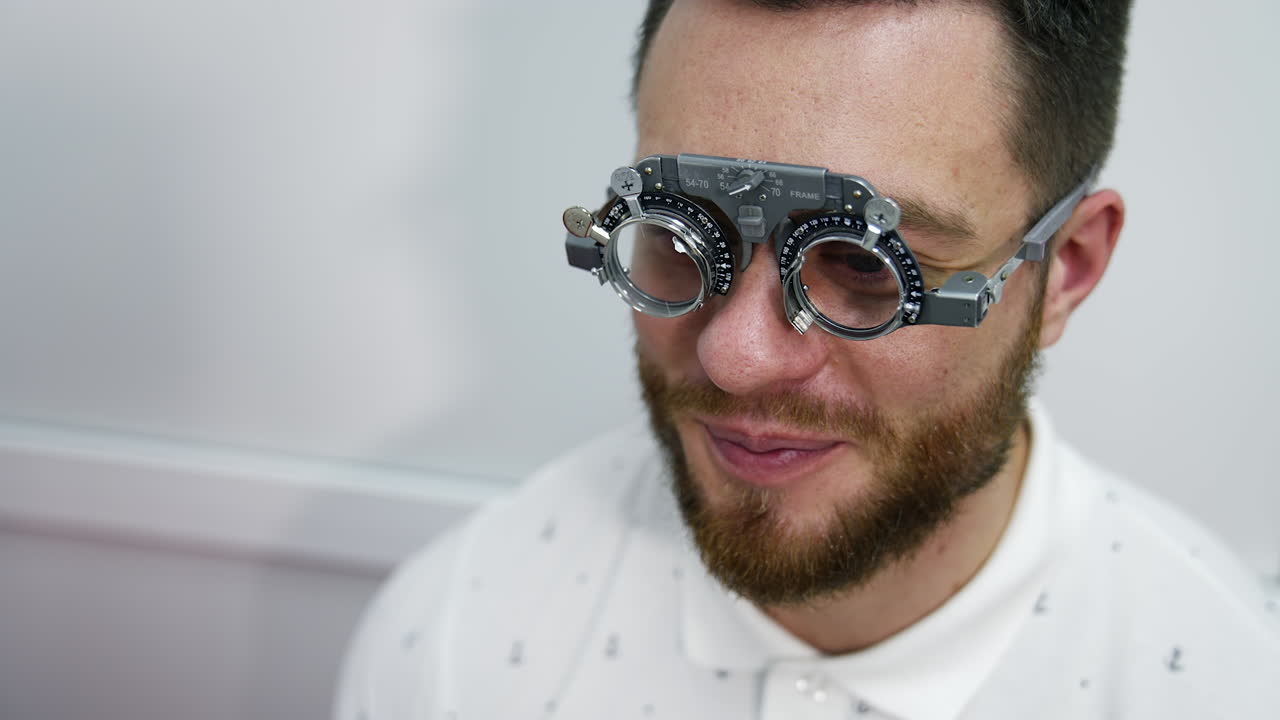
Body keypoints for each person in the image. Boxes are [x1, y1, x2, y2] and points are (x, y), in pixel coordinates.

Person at [336, 1, 1280, 717]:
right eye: (682, 231)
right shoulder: (458, 638)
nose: (737, 357)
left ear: (1065, 269)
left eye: (865, 264)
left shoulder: (1222, 681)